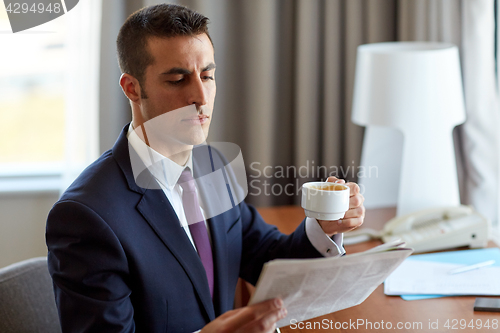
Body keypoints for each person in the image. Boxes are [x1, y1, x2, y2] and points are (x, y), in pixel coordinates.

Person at [46, 4, 365, 333]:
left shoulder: (211, 165)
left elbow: (268, 257)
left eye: (208, 76)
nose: (201, 96)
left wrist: (323, 227)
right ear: (132, 88)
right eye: (177, 79)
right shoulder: (85, 217)